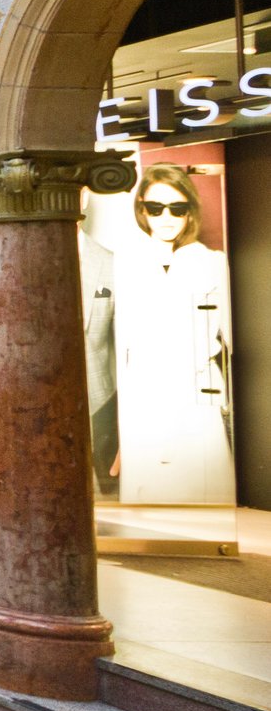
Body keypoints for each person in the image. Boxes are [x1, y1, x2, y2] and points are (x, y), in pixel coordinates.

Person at [111, 164, 234, 506]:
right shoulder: (124, 263)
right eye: (156, 208)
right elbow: (118, 343)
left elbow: (232, 337)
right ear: (142, 209)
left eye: (177, 208)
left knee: (201, 493)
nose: (166, 218)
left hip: (196, 394)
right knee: (150, 495)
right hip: (143, 395)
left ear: (189, 211)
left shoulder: (211, 262)